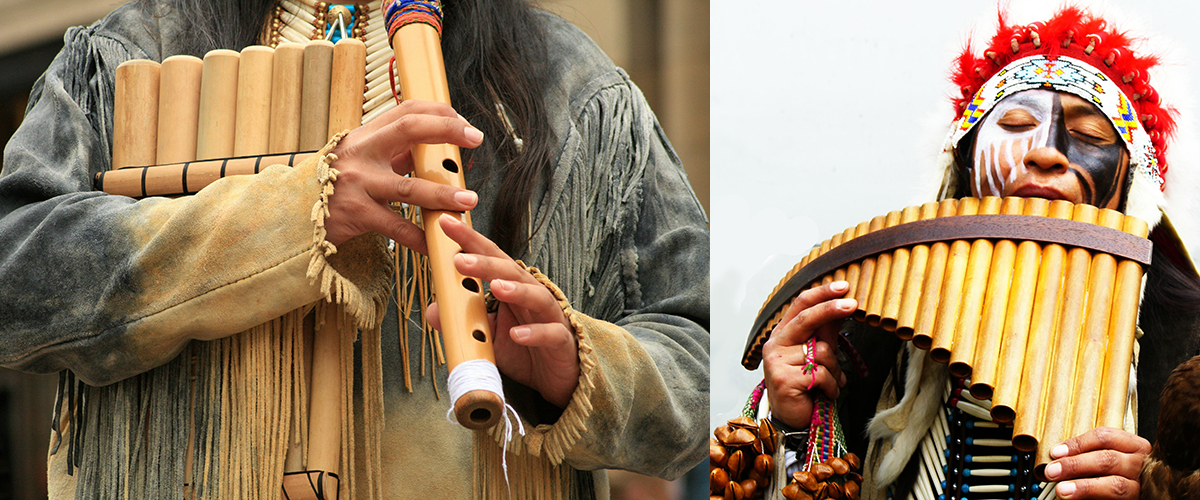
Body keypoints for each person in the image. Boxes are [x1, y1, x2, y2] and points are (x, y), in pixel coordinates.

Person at [0, 0, 709, 498]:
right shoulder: (127, 53)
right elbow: (14, 283)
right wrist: (290, 214)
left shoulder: (573, 88)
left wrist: (576, 365)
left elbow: (705, 375)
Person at [755, 6, 1200, 500]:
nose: (1046, 151)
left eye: (1091, 135)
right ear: (962, 171)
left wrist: (1170, 484)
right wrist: (799, 430)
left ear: (1134, 188)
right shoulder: (874, 332)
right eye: (1013, 123)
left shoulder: (1192, 339)